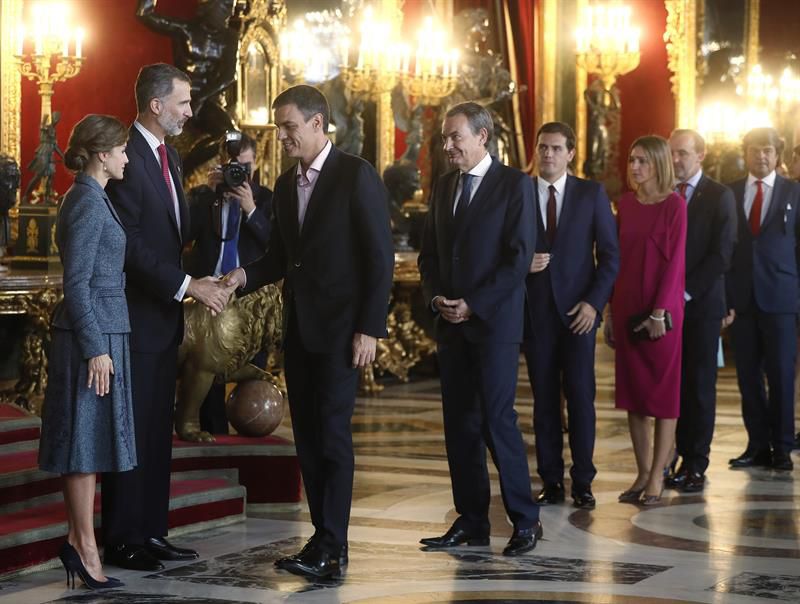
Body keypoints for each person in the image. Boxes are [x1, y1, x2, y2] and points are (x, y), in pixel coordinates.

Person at [224, 84, 394, 579]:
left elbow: (378, 258)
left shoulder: (354, 175)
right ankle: (322, 539)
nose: (282, 136)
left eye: (289, 127)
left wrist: (370, 328)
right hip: (298, 332)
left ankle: (334, 544)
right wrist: (241, 276)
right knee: (308, 438)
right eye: (279, 127)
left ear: (318, 124)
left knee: (333, 437)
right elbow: (280, 257)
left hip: (344, 334)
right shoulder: (282, 182)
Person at [103, 63, 230, 572]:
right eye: (183, 102)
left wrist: (215, 195)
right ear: (156, 105)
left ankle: (152, 531)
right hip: (134, 317)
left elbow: (173, 232)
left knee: (157, 430)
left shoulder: (169, 156)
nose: (190, 110)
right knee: (132, 432)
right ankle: (121, 537)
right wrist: (187, 286)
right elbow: (129, 245)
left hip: (161, 322)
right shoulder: (124, 156)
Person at [417, 102, 542, 556]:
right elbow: (429, 256)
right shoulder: (444, 186)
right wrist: (436, 299)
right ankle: (471, 521)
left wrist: (475, 303)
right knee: (459, 427)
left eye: (456, 137)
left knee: (496, 421)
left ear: (482, 137)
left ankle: (526, 520)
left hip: (493, 324)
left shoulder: (515, 186)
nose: (448, 146)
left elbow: (517, 259)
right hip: (450, 324)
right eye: (446, 138)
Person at [37, 114, 132, 589]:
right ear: (102, 155)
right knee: (82, 445)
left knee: (89, 444)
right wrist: (97, 349)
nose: (127, 158)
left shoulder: (92, 197)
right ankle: (82, 546)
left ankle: (81, 541)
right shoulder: (87, 204)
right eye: (121, 151)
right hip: (89, 339)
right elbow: (75, 285)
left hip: (103, 333)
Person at [524, 122, 619, 510]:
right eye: (543, 147)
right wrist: (522, 264)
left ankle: (583, 481)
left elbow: (610, 256)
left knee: (581, 399)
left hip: (579, 315)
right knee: (544, 402)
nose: (548, 154)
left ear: (570, 153)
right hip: (535, 315)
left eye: (556, 148)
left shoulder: (590, 193)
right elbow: (502, 248)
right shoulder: (520, 191)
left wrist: (594, 304)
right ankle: (551, 480)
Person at [604, 135, 687, 505]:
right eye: (632, 160)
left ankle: (657, 476)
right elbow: (614, 260)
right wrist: (608, 309)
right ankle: (641, 473)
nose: (634, 167)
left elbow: (675, 266)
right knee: (634, 397)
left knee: (663, 398)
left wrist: (659, 312)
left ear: (658, 164)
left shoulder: (675, 206)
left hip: (661, 315)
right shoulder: (625, 204)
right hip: (625, 308)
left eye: (642, 161)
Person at [185, 131, 273, 434]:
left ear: (256, 162)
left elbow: (275, 245)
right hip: (210, 292)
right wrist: (208, 194)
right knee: (206, 366)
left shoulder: (268, 199)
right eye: (231, 167)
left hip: (250, 297)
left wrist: (250, 209)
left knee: (252, 364)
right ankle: (213, 431)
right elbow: (183, 235)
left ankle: (253, 431)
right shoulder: (205, 197)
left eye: (244, 168)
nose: (237, 175)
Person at [665, 129, 736, 493]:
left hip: (702, 306)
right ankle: (670, 454)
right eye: (671, 153)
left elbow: (721, 254)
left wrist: (685, 293)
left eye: (683, 154)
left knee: (699, 386)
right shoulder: (662, 193)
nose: (675, 160)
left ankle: (695, 462)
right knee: (670, 386)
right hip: (665, 308)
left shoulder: (720, 196)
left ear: (701, 155)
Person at [726, 127, 800, 472]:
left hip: (782, 298)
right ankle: (757, 444)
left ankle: (783, 447)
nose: (761, 156)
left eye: (768, 150)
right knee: (748, 377)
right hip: (741, 299)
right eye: (755, 149)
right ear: (746, 153)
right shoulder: (730, 192)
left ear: (777, 154)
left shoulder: (794, 193)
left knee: (782, 374)